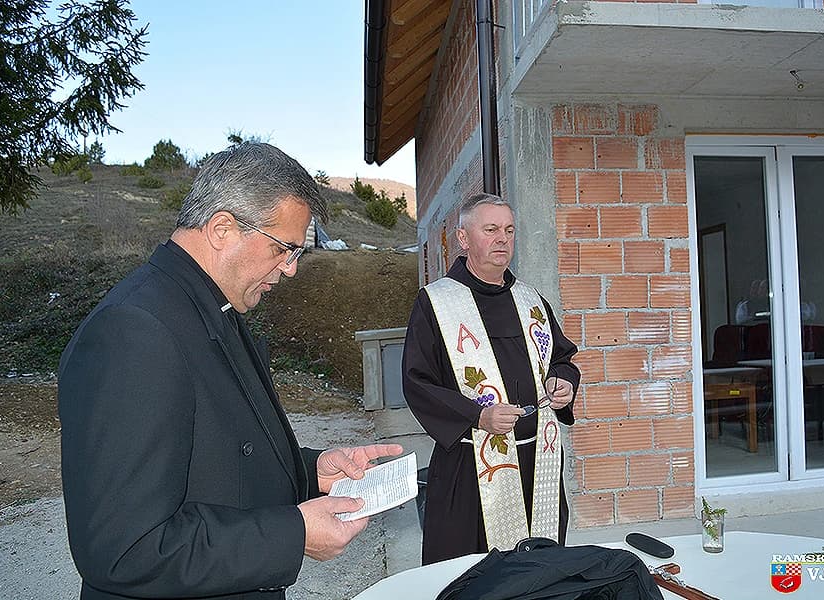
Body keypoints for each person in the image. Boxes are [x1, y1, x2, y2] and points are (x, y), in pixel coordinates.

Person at [57, 142, 402, 600]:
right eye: (285, 249)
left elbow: (223, 459)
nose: (292, 270)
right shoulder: (133, 329)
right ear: (223, 228)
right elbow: (123, 548)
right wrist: (292, 534)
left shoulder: (214, 308)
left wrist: (312, 470)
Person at [402, 192, 580, 565]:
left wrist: (563, 382)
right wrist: (477, 416)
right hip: (469, 467)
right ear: (464, 239)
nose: (503, 238)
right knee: (470, 573)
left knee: (538, 569)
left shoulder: (531, 300)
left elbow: (562, 358)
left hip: (537, 461)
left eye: (510, 230)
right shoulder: (437, 303)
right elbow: (417, 381)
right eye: (491, 229)